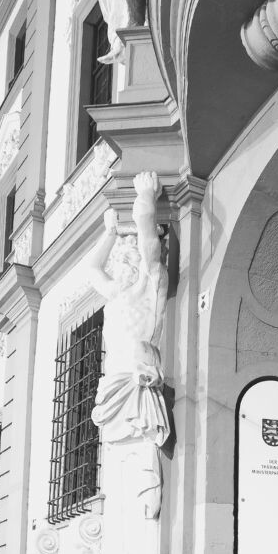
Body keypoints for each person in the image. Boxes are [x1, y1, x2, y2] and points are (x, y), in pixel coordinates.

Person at [84, 169, 170, 517]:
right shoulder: (115, 294)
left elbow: (149, 242)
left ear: (136, 264)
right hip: (114, 383)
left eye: (124, 258)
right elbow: (92, 269)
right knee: (121, 468)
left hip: (135, 383)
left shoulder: (150, 283)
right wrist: (109, 235)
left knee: (141, 460)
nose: (118, 265)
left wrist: (145, 198)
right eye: (117, 260)